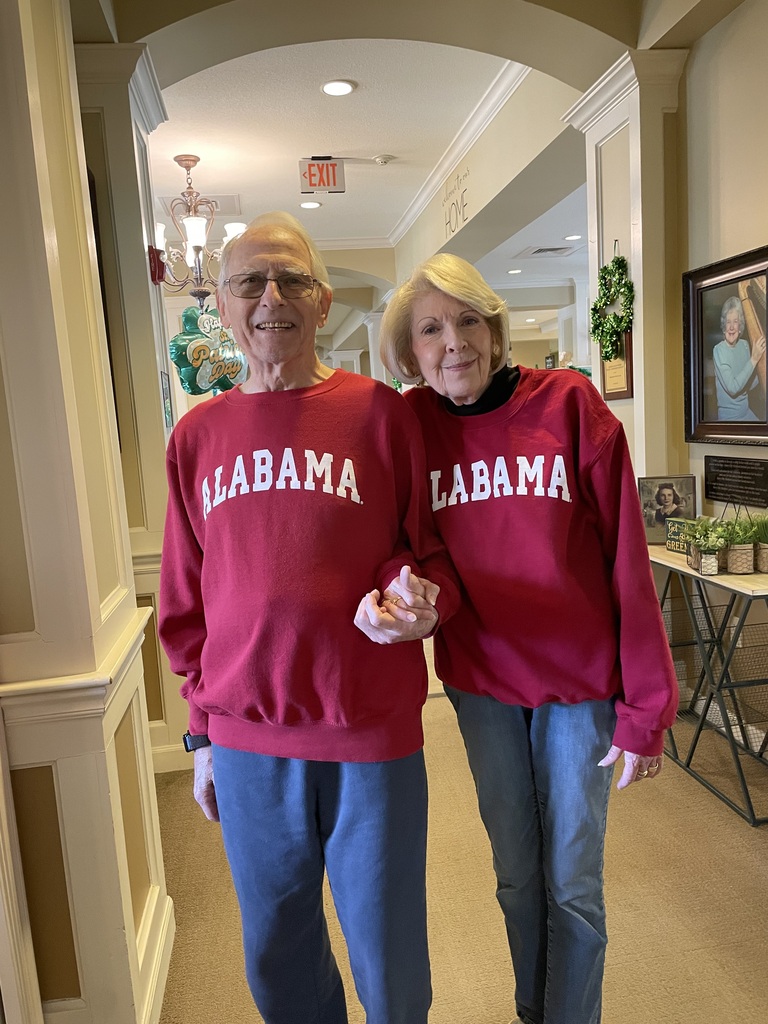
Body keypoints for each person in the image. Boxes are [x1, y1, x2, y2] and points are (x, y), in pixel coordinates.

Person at [158, 212, 459, 1024]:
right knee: (277, 952)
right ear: (223, 305)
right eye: (250, 282)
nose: (272, 297)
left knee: (389, 956)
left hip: (369, 731)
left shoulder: (381, 415)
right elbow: (186, 600)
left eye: (292, 279)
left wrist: (414, 599)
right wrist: (201, 736)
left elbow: (423, 553)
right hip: (247, 740)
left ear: (323, 301)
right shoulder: (196, 438)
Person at [379, 253, 679, 1024]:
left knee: (572, 883)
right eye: (431, 329)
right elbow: (409, 544)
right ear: (410, 350)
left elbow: (627, 561)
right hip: (481, 685)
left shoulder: (570, 405)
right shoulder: (411, 426)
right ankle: (532, 1010)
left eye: (467, 320)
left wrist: (646, 706)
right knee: (517, 877)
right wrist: (410, 591)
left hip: (579, 689)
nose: (453, 342)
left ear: (495, 327)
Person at [712, 295, 766, 420]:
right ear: (723, 325)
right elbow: (733, 388)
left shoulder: (744, 345)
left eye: (735, 321)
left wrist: (763, 368)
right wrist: (754, 359)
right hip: (729, 418)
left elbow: (746, 385)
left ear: (740, 325)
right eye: (728, 322)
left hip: (746, 412)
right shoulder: (719, 350)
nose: (731, 327)